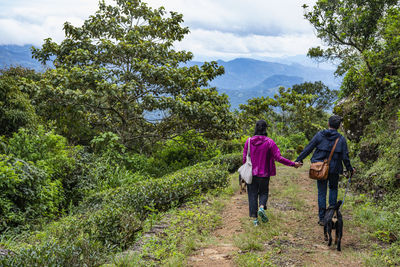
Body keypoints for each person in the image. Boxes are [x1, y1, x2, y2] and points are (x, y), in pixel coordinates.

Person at [295, 115, 355, 226]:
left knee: (321, 192)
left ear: (328, 124)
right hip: (334, 169)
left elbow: (309, 147)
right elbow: (345, 157)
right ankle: (330, 216)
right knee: (333, 189)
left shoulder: (320, 135)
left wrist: (299, 159)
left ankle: (322, 218)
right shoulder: (341, 139)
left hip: (320, 169)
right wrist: (350, 169)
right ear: (339, 126)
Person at [242, 120, 301, 226]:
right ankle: (261, 207)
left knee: (252, 195)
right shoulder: (269, 142)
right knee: (264, 192)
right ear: (265, 129)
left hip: (251, 174)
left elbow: (244, 158)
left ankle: (255, 220)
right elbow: (278, 157)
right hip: (264, 173)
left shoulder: (249, 141)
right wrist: (293, 164)